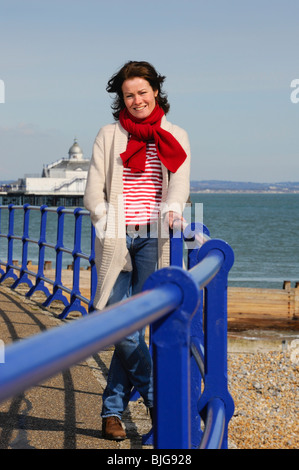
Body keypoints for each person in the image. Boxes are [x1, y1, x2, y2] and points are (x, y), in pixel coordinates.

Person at [84, 60, 191, 440]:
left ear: (156, 91)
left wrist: (175, 211)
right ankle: (157, 399)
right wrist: (105, 220)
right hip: (116, 236)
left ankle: (111, 413)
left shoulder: (175, 133)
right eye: (129, 94)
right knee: (121, 326)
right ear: (121, 98)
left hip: (155, 237)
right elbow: (93, 191)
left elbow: (179, 185)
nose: (137, 100)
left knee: (140, 325)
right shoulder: (108, 135)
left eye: (142, 92)